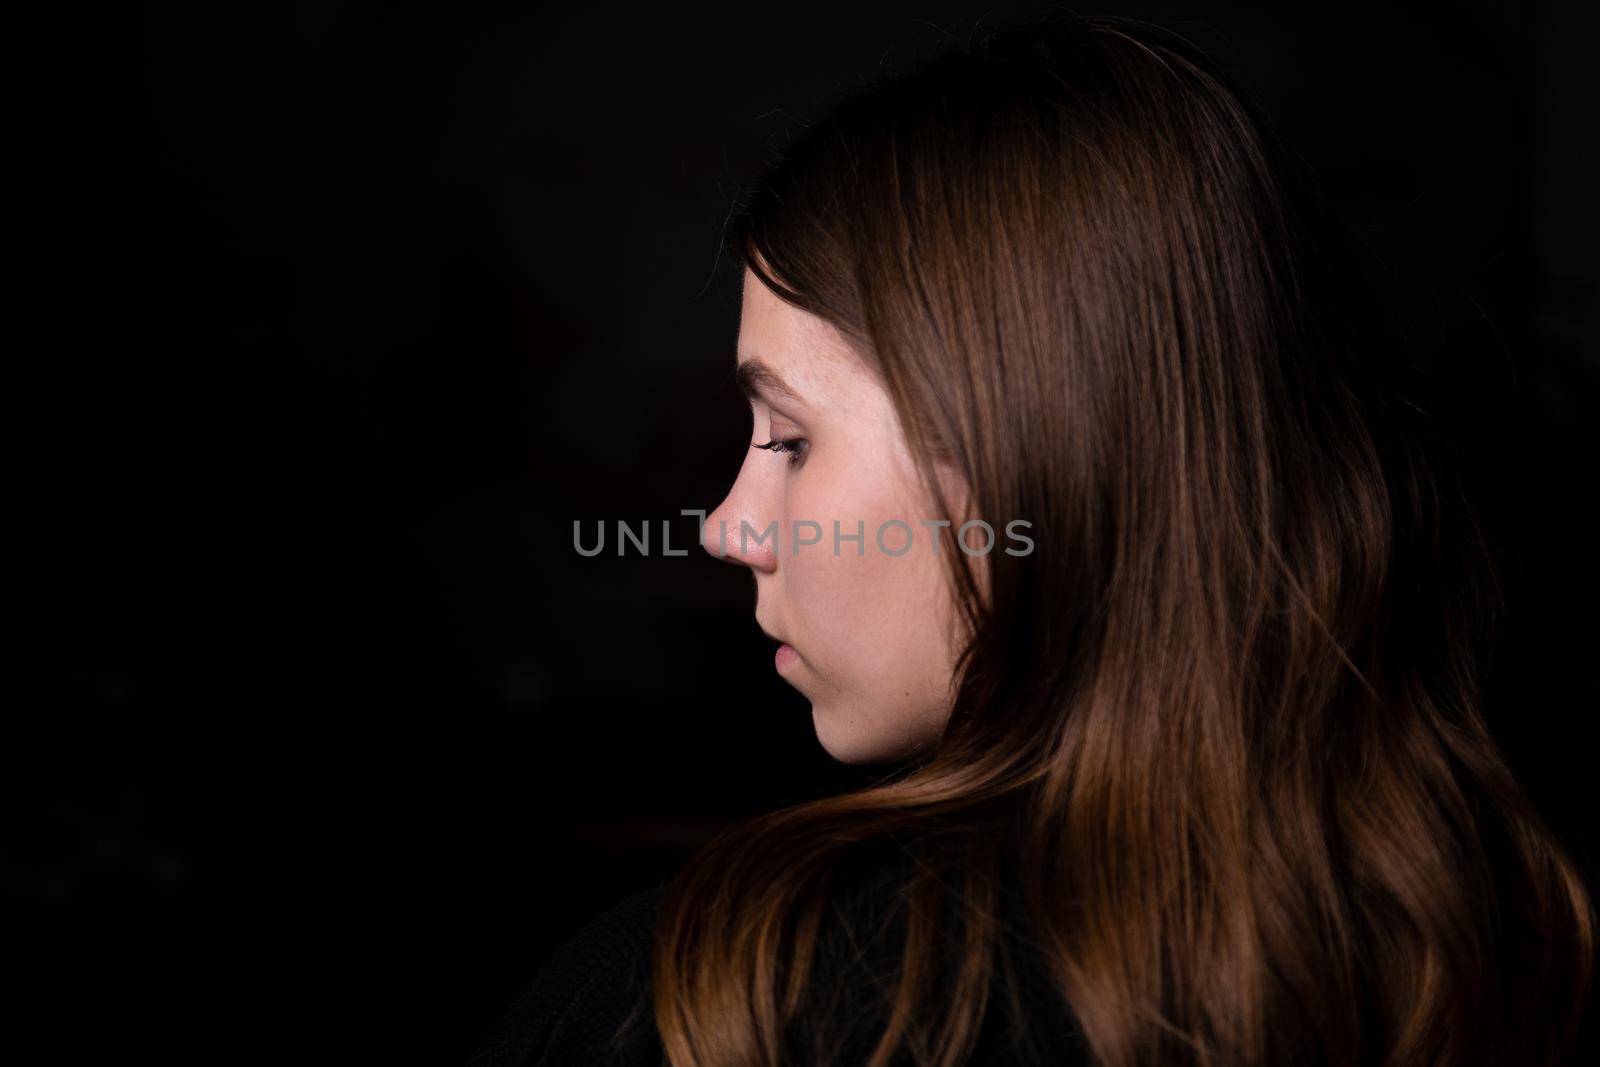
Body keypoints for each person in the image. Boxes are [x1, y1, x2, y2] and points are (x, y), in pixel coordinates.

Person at [469, 13, 1594, 1066]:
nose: (727, 527)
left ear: (1025, 462)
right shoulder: (1475, 931)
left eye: (792, 439)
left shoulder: (712, 1000)